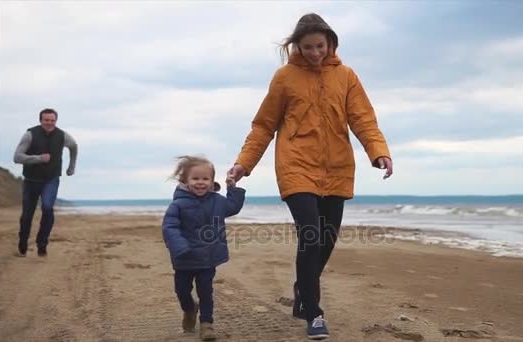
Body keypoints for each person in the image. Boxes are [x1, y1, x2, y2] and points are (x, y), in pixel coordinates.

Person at [228, 13, 393, 340]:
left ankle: (304, 286)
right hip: (296, 165)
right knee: (311, 234)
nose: (315, 53)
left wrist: (379, 151)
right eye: (308, 48)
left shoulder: (346, 76)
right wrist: (243, 164)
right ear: (297, 47)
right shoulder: (285, 78)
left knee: (327, 239)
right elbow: (263, 126)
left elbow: (363, 119)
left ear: (331, 43)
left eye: (320, 46)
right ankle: (314, 314)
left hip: (338, 169)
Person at [162, 155, 245, 341]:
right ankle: (189, 310)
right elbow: (170, 227)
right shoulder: (178, 204)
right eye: (195, 178)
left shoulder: (217, 201)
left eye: (205, 179)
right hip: (184, 258)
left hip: (208, 258)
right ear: (185, 181)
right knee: (182, 291)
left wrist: (232, 188)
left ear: (212, 181)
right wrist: (179, 246)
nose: (201, 183)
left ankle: (207, 324)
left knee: (206, 291)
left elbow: (233, 207)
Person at [13, 108, 78, 257]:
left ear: (56, 120)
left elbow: (74, 146)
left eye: (52, 120)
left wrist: (71, 166)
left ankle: (42, 244)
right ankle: (23, 242)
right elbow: (17, 157)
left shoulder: (63, 136)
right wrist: (38, 158)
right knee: (27, 215)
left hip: (51, 179)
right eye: (46, 120)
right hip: (31, 180)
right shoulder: (30, 135)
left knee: (48, 208)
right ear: (41, 120)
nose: (49, 123)